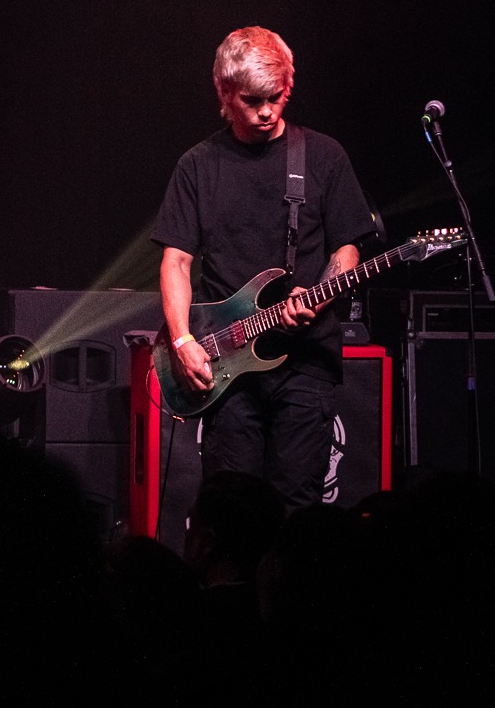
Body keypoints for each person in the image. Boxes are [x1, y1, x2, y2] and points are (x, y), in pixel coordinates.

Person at [153, 26, 377, 510]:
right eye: (252, 100)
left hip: (306, 363)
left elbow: (346, 249)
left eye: (276, 97)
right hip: (228, 366)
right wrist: (182, 340)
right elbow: (176, 260)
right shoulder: (198, 165)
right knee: (233, 508)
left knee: (297, 504)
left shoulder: (323, 156)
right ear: (223, 91)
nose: (266, 112)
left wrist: (320, 296)